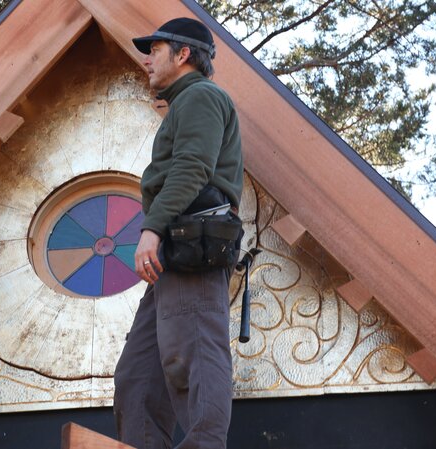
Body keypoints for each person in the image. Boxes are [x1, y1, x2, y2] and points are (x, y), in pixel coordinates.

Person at [113, 18, 243, 449]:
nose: (147, 60)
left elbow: (193, 167)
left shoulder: (201, 96)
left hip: (192, 244)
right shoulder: (186, 102)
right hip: (175, 249)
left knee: (195, 358)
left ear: (183, 54)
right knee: (137, 376)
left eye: (155, 50)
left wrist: (151, 229)